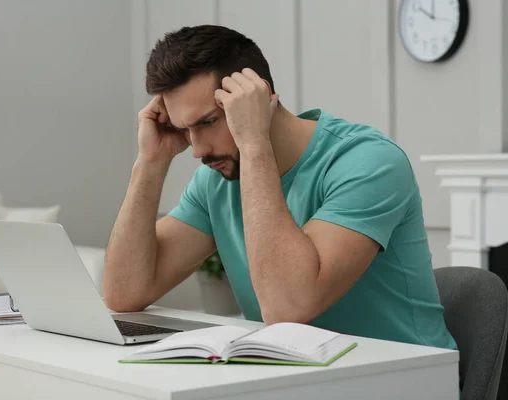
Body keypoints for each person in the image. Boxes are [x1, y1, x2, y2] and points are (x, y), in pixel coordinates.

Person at [103, 24, 457, 350]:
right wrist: (150, 163)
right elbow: (123, 293)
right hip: (297, 380)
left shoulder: (368, 162)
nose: (197, 150)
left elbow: (287, 306)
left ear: (259, 97)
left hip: (404, 381)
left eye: (208, 122)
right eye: (184, 129)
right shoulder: (216, 179)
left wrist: (254, 142)